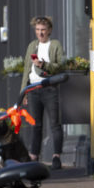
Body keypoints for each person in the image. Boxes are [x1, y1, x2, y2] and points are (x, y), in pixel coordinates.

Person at [21, 15, 66, 169]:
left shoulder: (55, 45)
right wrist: (24, 92)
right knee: (35, 124)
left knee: (54, 123)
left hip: (50, 89)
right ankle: (34, 155)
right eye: (38, 30)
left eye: (43, 30)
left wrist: (44, 65)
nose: (40, 33)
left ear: (49, 31)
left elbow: (60, 66)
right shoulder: (32, 45)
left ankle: (56, 156)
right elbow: (27, 68)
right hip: (33, 89)